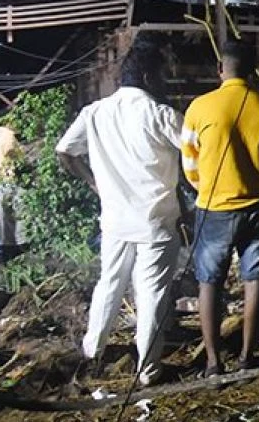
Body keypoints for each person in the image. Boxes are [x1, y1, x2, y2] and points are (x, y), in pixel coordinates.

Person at [56, 47, 183, 387]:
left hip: (114, 220)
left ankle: (92, 351)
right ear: (147, 77)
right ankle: (148, 370)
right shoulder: (160, 114)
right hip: (155, 221)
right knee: (151, 293)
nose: (164, 81)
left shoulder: (95, 112)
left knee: (109, 285)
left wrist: (94, 185)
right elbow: (197, 148)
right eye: (161, 74)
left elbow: (64, 151)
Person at [182, 40, 259, 375]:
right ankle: (246, 356)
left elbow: (189, 164)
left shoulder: (199, 108)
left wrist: (208, 187)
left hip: (214, 207)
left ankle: (213, 362)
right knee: (254, 279)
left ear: (220, 70)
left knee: (209, 282)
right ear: (253, 67)